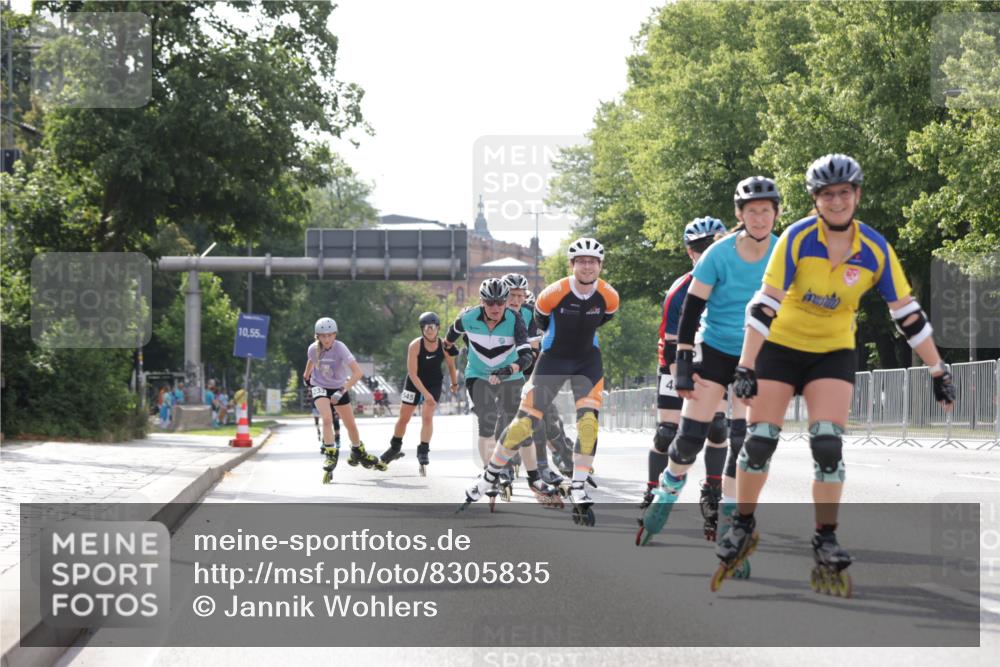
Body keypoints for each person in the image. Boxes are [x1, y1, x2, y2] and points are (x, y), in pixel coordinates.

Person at [713, 154, 957, 595]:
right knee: (759, 442)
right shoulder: (797, 238)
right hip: (781, 349)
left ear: (857, 195)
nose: (838, 201)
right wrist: (746, 365)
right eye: (828, 194)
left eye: (845, 192)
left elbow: (907, 313)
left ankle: (825, 537)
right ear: (815, 200)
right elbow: (764, 303)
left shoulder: (876, 248)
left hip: (832, 352)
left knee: (827, 444)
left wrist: (937, 367)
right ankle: (743, 524)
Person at [639, 179, 780, 547]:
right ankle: (667, 490)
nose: (760, 218)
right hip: (714, 346)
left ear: (776, 213)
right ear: (739, 214)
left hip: (757, 352)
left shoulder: (784, 252)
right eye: (752, 211)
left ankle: (732, 522)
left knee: (743, 440)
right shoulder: (718, 253)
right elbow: (692, 308)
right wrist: (683, 358)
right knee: (687, 440)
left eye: (767, 211)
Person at [461, 238, 620, 524]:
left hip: (588, 360)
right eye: (581, 261)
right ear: (572, 265)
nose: (587, 266)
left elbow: (604, 319)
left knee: (588, 422)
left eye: (593, 261)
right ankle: (489, 477)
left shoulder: (609, 295)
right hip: (554, 359)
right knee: (524, 423)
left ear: (600, 265)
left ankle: (579, 486)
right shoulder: (553, 293)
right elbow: (542, 320)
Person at [643, 217, 728, 514]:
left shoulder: (733, 285)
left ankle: (713, 487)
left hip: (716, 360)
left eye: (712, 246)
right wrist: (683, 379)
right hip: (674, 360)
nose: (705, 253)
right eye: (698, 248)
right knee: (668, 431)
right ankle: (653, 489)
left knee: (718, 427)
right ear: (689, 253)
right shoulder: (680, 290)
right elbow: (669, 343)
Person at [443, 278, 534, 502]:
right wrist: (450, 347)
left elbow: (526, 356)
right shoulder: (467, 317)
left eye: (499, 303)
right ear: (482, 301)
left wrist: (510, 368)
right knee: (487, 419)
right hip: (478, 374)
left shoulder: (515, 319)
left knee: (513, 423)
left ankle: (504, 465)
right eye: (489, 302)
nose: (495, 308)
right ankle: (488, 473)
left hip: (510, 374)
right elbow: (449, 338)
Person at [303, 317, 385, 484]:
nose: (326, 339)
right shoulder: (313, 349)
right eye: (322, 336)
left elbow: (358, 373)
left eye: (330, 335)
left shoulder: (340, 348)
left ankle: (357, 450)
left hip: (339, 387)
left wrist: (342, 390)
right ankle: (330, 453)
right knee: (326, 419)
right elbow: (310, 365)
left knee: (350, 424)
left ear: (335, 335)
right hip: (319, 386)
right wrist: (307, 379)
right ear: (317, 336)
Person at [380, 311, 459, 475]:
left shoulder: (445, 345)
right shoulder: (415, 345)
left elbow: (451, 366)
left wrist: (454, 383)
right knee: (404, 418)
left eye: (432, 327)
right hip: (414, 383)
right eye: (425, 327)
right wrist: (425, 394)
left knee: (427, 416)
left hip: (434, 382)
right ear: (422, 329)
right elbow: (413, 374)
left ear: (438, 328)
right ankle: (395, 447)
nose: (429, 330)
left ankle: (423, 450)